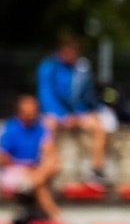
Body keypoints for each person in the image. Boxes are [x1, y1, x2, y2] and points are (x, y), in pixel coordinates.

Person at [36, 33, 108, 182]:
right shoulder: (48, 67)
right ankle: (50, 164)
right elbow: (46, 96)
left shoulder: (82, 68)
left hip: (77, 113)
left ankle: (96, 169)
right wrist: (63, 116)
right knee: (47, 126)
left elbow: (87, 95)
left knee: (99, 126)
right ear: (61, 51)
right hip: (55, 113)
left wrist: (84, 113)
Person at [0, 93, 61, 221]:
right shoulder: (10, 129)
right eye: (29, 112)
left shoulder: (40, 128)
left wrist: (50, 136)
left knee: (51, 165)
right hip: (13, 171)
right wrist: (24, 166)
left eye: (34, 111)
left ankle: (30, 184)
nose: (32, 114)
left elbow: (49, 152)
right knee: (40, 186)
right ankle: (56, 217)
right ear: (20, 111)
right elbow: (1, 159)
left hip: (34, 173)